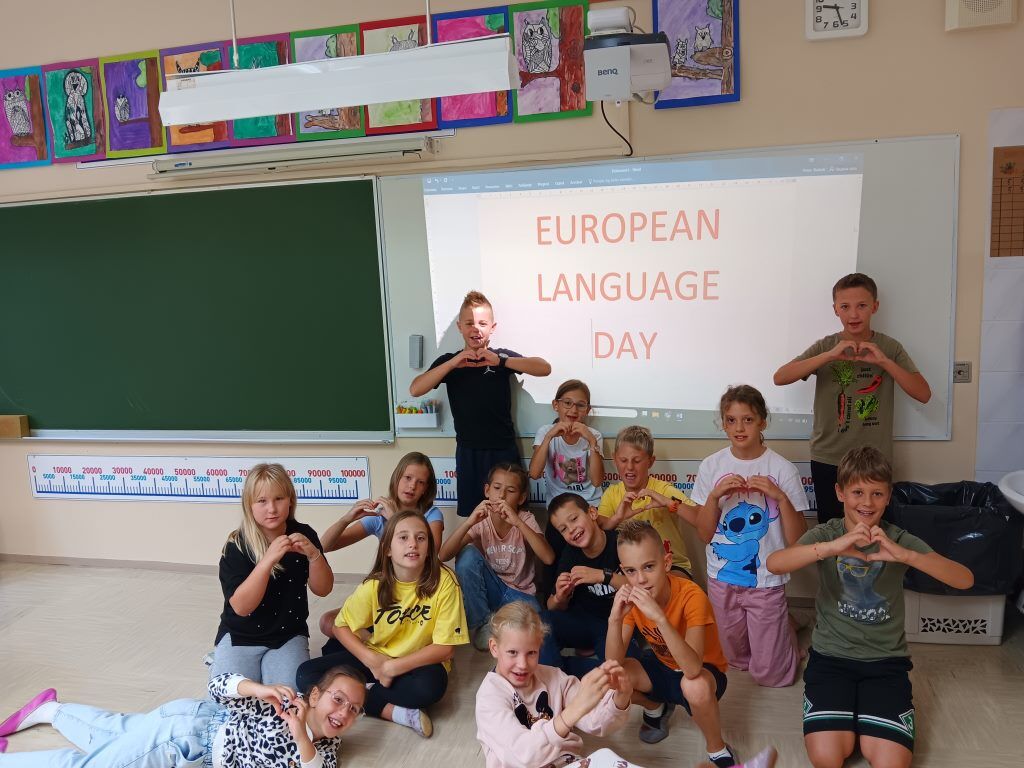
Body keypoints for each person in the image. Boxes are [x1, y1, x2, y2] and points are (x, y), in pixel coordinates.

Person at [766, 447, 974, 768]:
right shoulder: (828, 533)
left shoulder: (897, 539)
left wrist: (907, 556)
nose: (867, 502)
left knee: (891, 763)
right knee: (827, 758)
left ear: (888, 496)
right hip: (831, 659)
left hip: (886, 663)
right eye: (858, 492)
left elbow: (964, 579)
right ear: (840, 493)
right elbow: (775, 563)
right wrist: (830, 548)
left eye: (877, 493)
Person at [773, 273, 931, 522]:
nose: (854, 314)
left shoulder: (890, 347)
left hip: (875, 459)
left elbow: (923, 394)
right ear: (835, 309)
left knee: (874, 530)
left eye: (862, 306)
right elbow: (780, 377)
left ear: (874, 307)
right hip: (828, 456)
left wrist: (884, 362)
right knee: (831, 529)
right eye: (845, 307)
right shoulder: (826, 346)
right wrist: (829, 356)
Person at [296, 511, 468, 739]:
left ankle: (362, 694)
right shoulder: (375, 584)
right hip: (377, 656)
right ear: (387, 549)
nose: (413, 544)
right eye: (403, 537)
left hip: (418, 662)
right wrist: (374, 661)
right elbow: (340, 626)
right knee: (306, 674)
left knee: (430, 688)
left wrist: (391, 668)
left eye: (421, 538)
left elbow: (445, 648)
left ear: (429, 548)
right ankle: (389, 709)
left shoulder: (445, 581)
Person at [0, 666, 365, 767]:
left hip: (188, 725)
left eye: (354, 709)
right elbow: (217, 686)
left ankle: (51, 709)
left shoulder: (327, 749)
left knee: (110, 732)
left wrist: (300, 733)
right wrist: (255, 688)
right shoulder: (282, 702)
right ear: (314, 695)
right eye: (338, 699)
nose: (343, 712)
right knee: (94, 765)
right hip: (187, 736)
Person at [691, 385, 809, 687]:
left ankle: (787, 637)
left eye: (748, 420)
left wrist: (779, 497)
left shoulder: (782, 469)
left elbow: (798, 540)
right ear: (723, 423)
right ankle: (782, 627)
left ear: (762, 422)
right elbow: (704, 533)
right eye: (731, 420)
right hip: (722, 578)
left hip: (766, 580)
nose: (739, 428)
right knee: (736, 661)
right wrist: (714, 496)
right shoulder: (711, 466)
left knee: (771, 676)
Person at [409, 290, 551, 517]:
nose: (476, 329)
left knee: (509, 515)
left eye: (482, 323)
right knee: (474, 517)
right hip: (469, 452)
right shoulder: (449, 362)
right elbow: (416, 389)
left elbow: (544, 368)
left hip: (503, 450)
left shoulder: (500, 357)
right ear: (460, 327)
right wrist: (453, 363)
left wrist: (502, 361)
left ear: (492, 327)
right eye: (469, 323)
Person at [607, 520, 735, 767]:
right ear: (623, 571)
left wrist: (659, 618)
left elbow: (693, 669)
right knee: (613, 676)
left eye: (649, 567)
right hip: (664, 666)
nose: (641, 579)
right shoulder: (632, 597)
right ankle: (656, 706)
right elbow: (612, 662)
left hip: (703, 671)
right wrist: (614, 619)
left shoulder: (692, 596)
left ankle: (717, 748)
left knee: (694, 686)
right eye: (631, 571)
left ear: (666, 563)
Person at [211, 463, 332, 686]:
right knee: (230, 696)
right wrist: (267, 561)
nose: (272, 509)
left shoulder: (304, 534)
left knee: (288, 699)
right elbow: (241, 607)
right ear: (249, 505)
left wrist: (314, 555)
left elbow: (323, 589)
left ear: (290, 500)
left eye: (279, 499)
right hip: (241, 636)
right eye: (262, 501)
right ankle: (220, 658)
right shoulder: (237, 545)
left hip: (288, 635)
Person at [474, 600, 632, 768]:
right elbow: (524, 755)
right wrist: (572, 711)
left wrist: (620, 698)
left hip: (568, 762)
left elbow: (598, 723)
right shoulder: (489, 698)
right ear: (494, 648)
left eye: (531, 653)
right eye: (512, 652)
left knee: (607, 758)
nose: (522, 664)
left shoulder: (555, 677)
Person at [316, 452, 444, 638]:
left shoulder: (432, 515)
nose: (412, 486)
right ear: (396, 478)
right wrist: (346, 519)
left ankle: (385, 644)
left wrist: (394, 518)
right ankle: (377, 647)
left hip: (417, 594)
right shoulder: (379, 515)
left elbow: (432, 553)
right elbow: (324, 546)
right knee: (328, 622)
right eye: (407, 478)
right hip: (386, 591)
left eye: (420, 482)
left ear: (426, 489)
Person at [439, 462, 554, 651]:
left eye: (510, 491)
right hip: (490, 591)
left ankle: (499, 622)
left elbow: (548, 558)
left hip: (520, 594)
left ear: (521, 498)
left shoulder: (525, 519)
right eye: (497, 488)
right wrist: (468, 522)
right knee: (467, 554)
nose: (501, 496)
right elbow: (444, 555)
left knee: (537, 624)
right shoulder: (481, 520)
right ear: (487, 491)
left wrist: (518, 523)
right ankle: (483, 622)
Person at [540, 493, 636, 674]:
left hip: (617, 625)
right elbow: (551, 606)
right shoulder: (570, 554)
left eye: (574, 519)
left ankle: (568, 672)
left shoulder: (621, 543)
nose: (571, 530)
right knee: (540, 620)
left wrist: (602, 576)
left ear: (592, 513)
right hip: (583, 622)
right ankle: (555, 678)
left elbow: (641, 588)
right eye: (563, 529)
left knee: (624, 669)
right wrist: (560, 597)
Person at [598, 425, 697, 573]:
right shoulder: (611, 494)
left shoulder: (663, 490)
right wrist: (617, 518)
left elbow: (699, 519)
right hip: (631, 569)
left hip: (671, 566)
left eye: (637, 461)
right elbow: (600, 529)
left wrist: (668, 502)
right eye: (623, 460)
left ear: (650, 461)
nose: (629, 467)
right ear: (614, 459)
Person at [529, 379, 605, 563]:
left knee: (591, 556)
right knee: (556, 558)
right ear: (556, 405)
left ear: (587, 410)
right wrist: (549, 437)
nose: (573, 410)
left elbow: (597, 481)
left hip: (589, 506)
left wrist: (591, 442)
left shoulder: (594, 435)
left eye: (580, 405)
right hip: (559, 510)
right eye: (567, 403)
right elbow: (534, 473)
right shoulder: (546, 432)